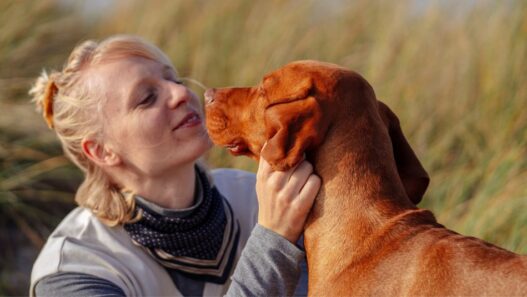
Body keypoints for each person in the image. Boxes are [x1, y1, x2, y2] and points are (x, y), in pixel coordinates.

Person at [28, 35, 320, 297]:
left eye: (175, 80)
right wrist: (273, 241)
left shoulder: (260, 198)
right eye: (147, 98)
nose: (181, 94)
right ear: (102, 151)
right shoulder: (74, 268)